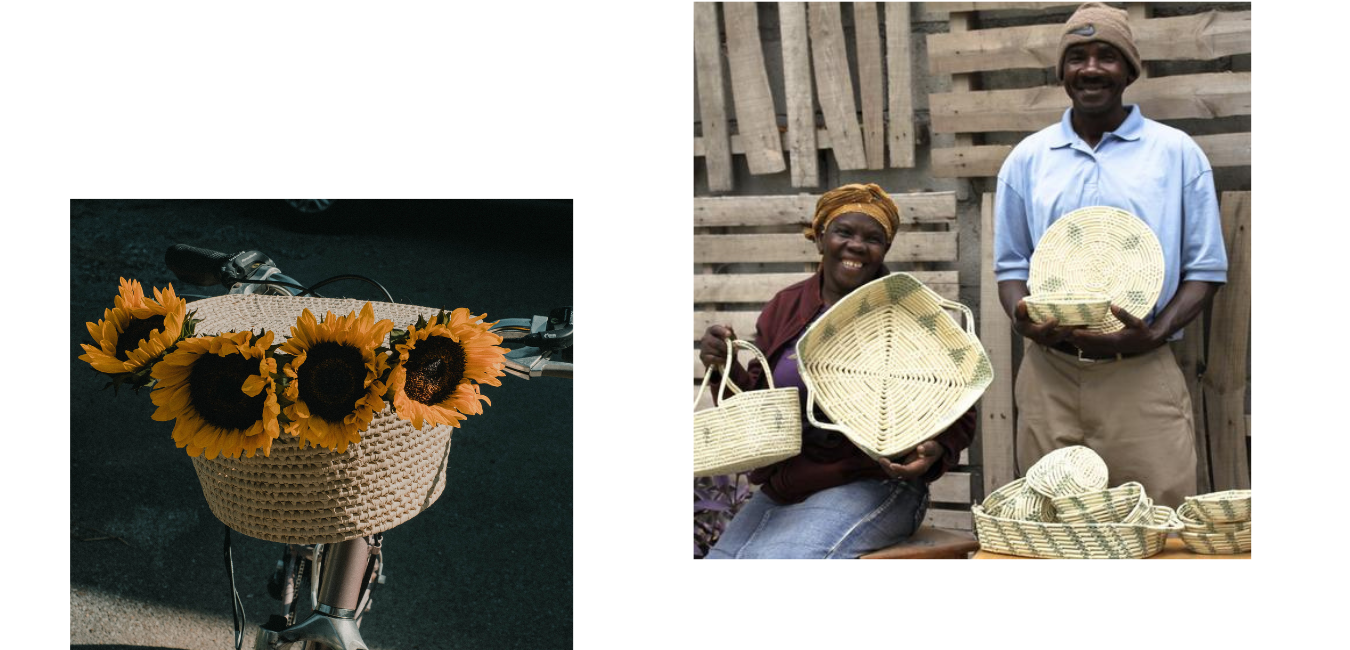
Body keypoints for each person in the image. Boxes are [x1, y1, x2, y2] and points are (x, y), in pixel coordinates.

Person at [993, 1, 1228, 508]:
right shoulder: (1027, 159)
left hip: (1141, 372)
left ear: (1129, 69)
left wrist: (1155, 333)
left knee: (1158, 519)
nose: (1092, 68)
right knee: (1048, 520)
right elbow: (1011, 267)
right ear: (1062, 72)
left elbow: (1206, 269)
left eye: (1107, 56)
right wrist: (1023, 318)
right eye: (1077, 56)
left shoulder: (1176, 154)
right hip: (1048, 374)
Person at [700, 183, 976, 560]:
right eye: (844, 232)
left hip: (874, 482)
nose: (857, 245)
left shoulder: (910, 314)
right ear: (820, 238)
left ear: (885, 250)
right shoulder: (787, 305)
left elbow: (959, 400)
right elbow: (757, 407)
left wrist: (937, 447)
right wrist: (721, 365)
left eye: (873, 238)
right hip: (789, 485)